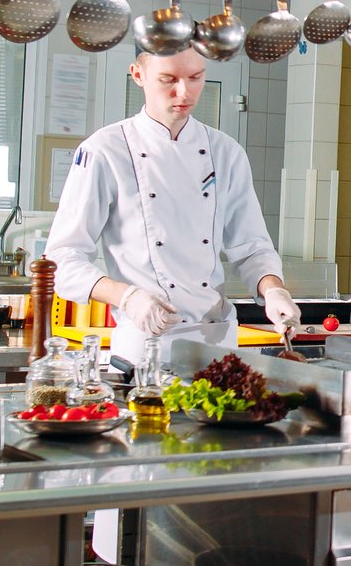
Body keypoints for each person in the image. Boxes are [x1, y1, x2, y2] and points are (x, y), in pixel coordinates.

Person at [45, 46, 297, 365]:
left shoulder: (226, 152)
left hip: (218, 344)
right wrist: (127, 296)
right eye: (169, 79)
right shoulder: (105, 151)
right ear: (138, 74)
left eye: (195, 78)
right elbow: (62, 260)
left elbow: (252, 248)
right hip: (143, 347)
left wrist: (273, 290)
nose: (184, 92)